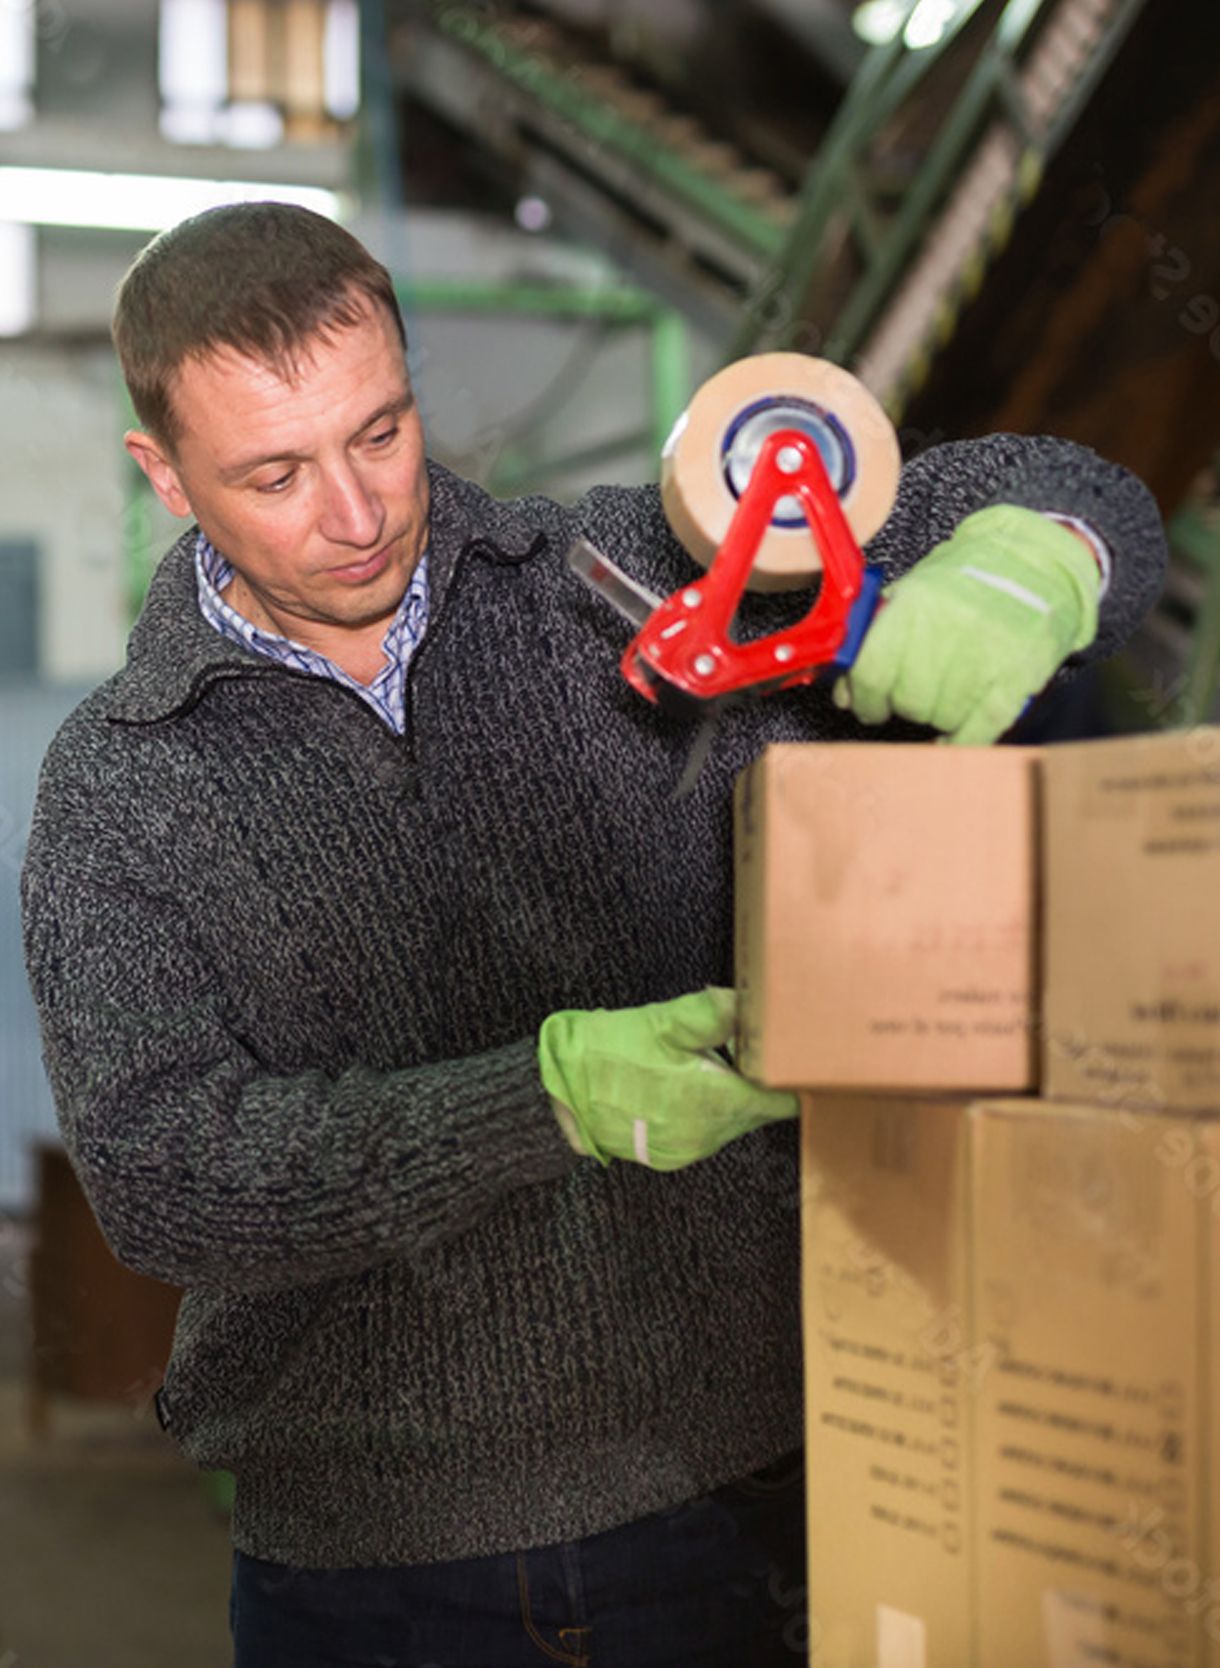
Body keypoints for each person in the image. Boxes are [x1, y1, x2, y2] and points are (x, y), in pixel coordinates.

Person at [20, 203, 1165, 1668]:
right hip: (376, 1576)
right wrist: (543, 1100)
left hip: (740, 1513)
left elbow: (1064, 484)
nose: (357, 512)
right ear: (165, 475)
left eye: (381, 433)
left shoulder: (625, 576)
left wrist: (1025, 568)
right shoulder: (123, 783)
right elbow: (165, 1182)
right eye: (276, 474)